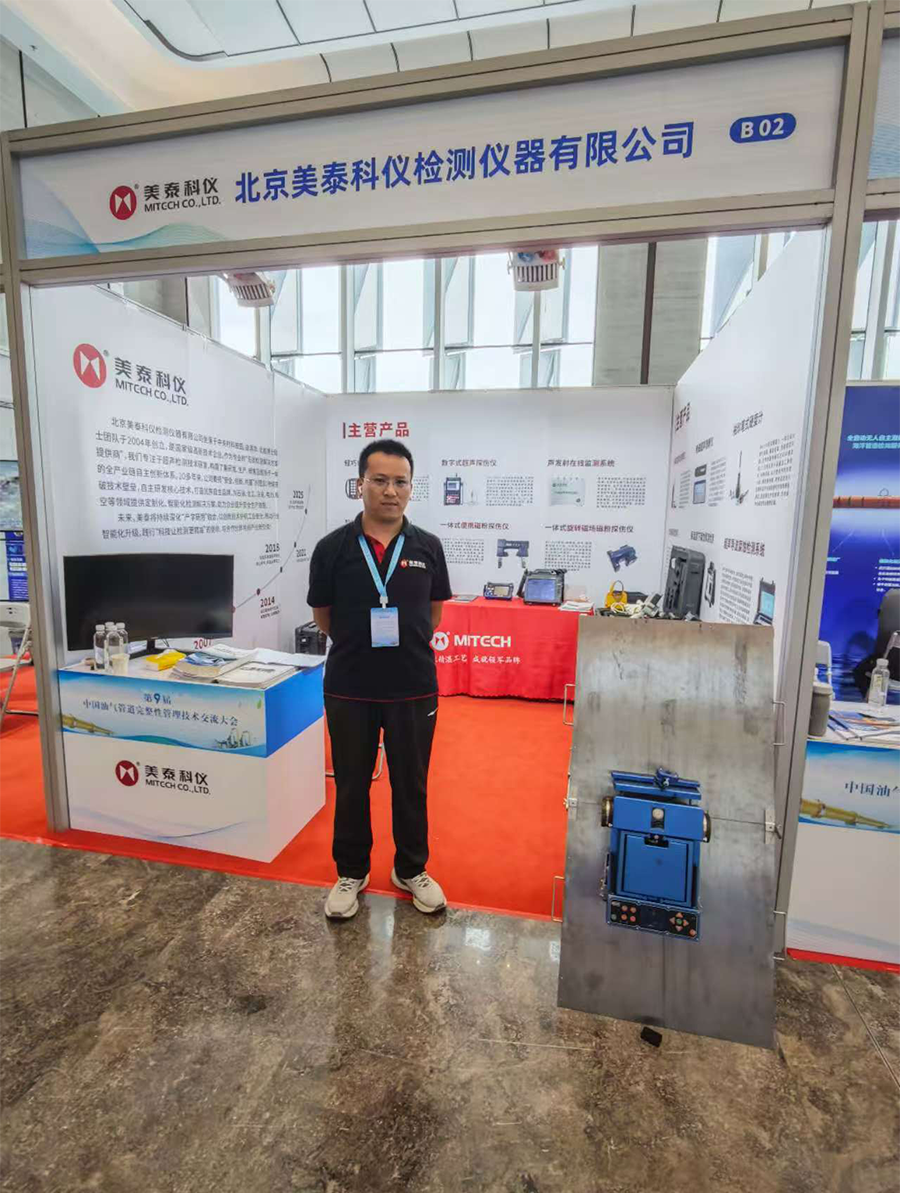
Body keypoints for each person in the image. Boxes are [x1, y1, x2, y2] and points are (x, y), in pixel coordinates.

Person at [307, 438, 453, 920]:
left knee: (411, 783)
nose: (391, 491)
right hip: (350, 686)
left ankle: (411, 869)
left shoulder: (428, 546)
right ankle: (351, 871)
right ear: (360, 484)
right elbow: (324, 616)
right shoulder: (332, 548)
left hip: (413, 685)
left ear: (411, 488)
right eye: (380, 480)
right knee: (352, 784)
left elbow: (433, 614)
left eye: (400, 482)